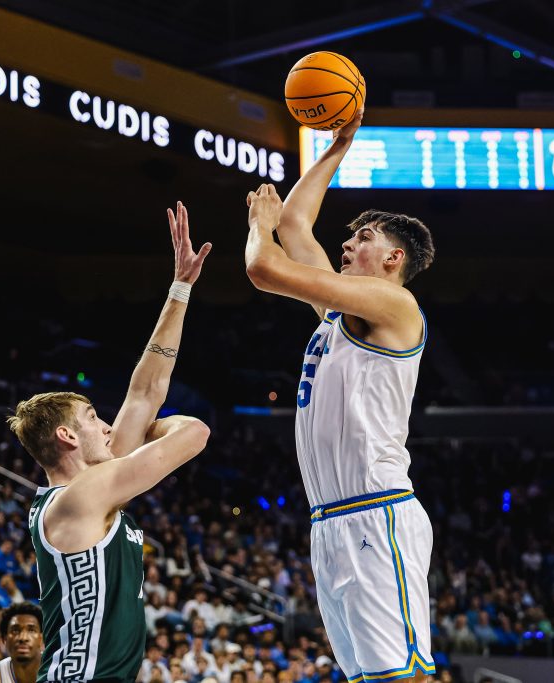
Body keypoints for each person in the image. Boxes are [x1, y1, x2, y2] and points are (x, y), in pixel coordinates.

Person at [243, 109, 437, 682]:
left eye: (364, 238)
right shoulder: (339, 313)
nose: (348, 244)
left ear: (393, 258)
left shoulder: (392, 305)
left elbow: (264, 265)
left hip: (377, 513)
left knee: (402, 677)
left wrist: (259, 222)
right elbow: (298, 224)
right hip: (329, 520)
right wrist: (338, 146)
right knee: (367, 678)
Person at [8, 202, 211, 683]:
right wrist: (151, 429)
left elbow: (145, 390)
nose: (107, 428)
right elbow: (196, 433)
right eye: (94, 419)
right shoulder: (84, 495)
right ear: (66, 435)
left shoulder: (85, 490)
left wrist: (180, 287)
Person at [0, 603, 44, 683]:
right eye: (15, 630)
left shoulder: (57, 667)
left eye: (31, 630)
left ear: (41, 638)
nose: (23, 638)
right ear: (4, 638)